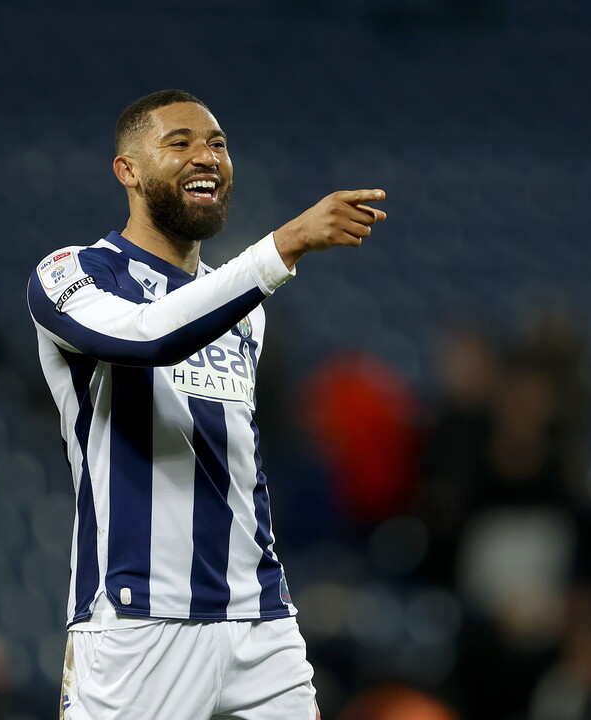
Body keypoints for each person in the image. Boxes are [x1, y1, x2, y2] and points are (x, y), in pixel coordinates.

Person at [27, 88, 386, 720]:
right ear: (128, 170)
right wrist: (284, 245)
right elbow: (149, 337)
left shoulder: (242, 309)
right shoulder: (70, 274)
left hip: (260, 618)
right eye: (180, 142)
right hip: (141, 621)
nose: (207, 156)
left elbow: (237, 453)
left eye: (218, 144)